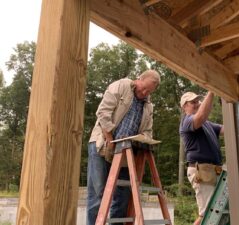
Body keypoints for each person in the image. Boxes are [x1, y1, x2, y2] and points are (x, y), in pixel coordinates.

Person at [86, 70, 161, 225]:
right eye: (144, 88)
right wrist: (109, 140)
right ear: (139, 78)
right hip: (103, 144)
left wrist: (144, 141)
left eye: (149, 91)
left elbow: (147, 130)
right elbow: (103, 113)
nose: (144, 92)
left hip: (127, 151)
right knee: (99, 193)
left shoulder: (148, 106)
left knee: (123, 195)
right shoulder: (120, 86)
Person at [179, 91, 224, 225]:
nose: (197, 104)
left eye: (198, 101)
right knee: (207, 214)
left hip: (212, 171)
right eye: (193, 102)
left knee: (213, 212)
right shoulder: (187, 122)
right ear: (184, 107)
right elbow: (201, 116)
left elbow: (226, 128)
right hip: (202, 171)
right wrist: (212, 91)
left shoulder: (208, 124)